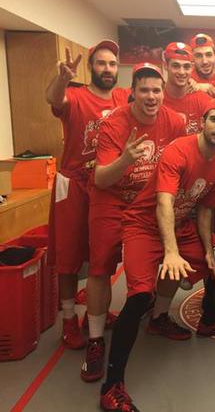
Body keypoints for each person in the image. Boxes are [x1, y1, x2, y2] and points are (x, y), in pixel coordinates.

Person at [100, 98, 215, 411]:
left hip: (181, 225)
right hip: (144, 225)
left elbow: (205, 209)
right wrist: (172, 252)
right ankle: (111, 386)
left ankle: (207, 320)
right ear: (202, 122)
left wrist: (208, 250)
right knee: (139, 296)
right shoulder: (179, 149)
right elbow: (164, 202)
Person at [83, 63, 188, 383]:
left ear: (164, 92)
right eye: (144, 90)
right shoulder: (114, 122)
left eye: (156, 90)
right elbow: (100, 178)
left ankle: (159, 317)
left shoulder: (175, 121)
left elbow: (181, 164)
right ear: (133, 92)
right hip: (111, 200)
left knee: (172, 254)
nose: (151, 96)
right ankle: (95, 340)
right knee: (100, 267)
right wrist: (126, 159)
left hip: (148, 204)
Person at [44, 40, 129, 351]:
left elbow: (154, 100)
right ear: (91, 67)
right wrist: (62, 78)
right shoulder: (75, 95)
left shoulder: (123, 97)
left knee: (101, 255)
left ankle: (98, 312)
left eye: (112, 64)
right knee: (67, 257)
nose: (107, 69)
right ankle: (68, 319)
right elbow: (54, 98)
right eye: (101, 63)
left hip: (105, 185)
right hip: (73, 183)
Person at [162, 42, 211, 134]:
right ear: (165, 65)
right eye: (176, 66)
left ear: (192, 67)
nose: (181, 72)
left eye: (186, 67)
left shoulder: (204, 101)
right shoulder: (155, 100)